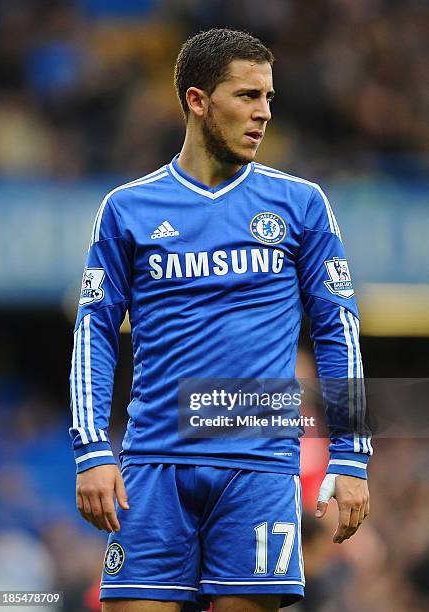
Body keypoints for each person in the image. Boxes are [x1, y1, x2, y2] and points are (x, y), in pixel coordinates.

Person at [69, 28, 372, 612]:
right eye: (247, 96)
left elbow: (340, 332)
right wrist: (92, 451)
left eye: (269, 98)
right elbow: (95, 332)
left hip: (259, 468)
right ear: (197, 100)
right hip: (154, 465)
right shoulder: (127, 208)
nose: (263, 114)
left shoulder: (301, 204)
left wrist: (352, 454)